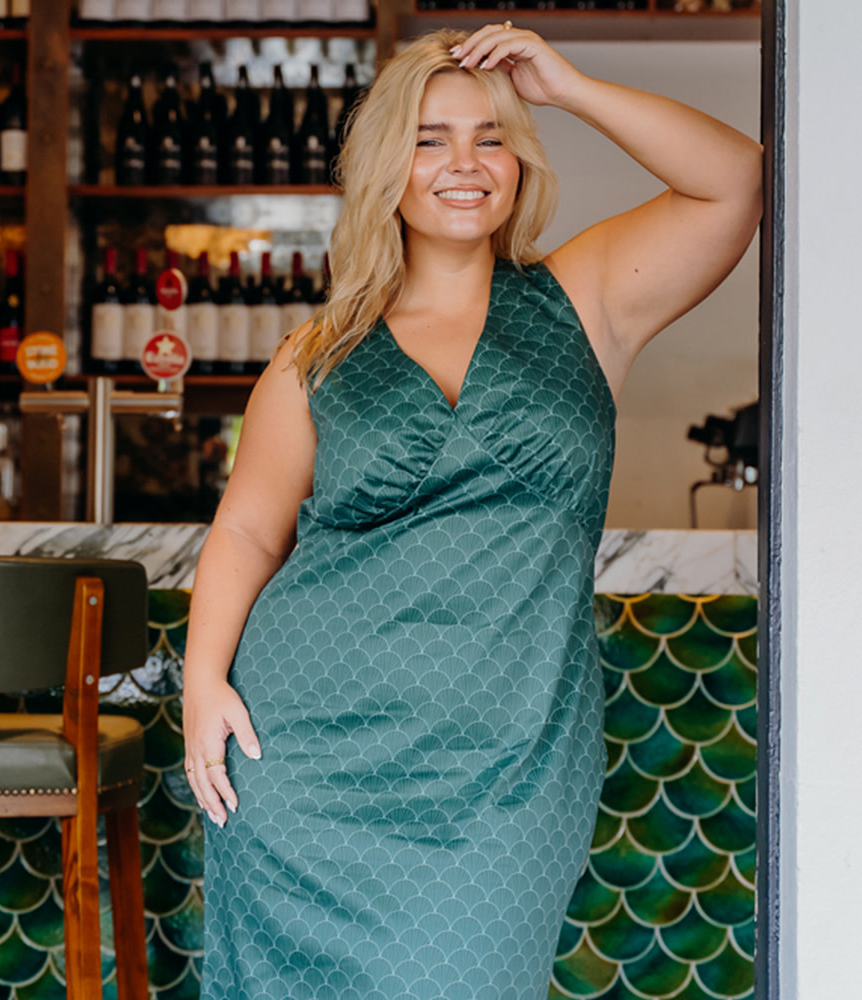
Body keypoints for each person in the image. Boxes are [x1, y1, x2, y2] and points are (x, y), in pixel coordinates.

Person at [183, 23, 761, 1000]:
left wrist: (568, 86)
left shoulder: (582, 301)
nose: (463, 163)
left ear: (520, 160)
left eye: (489, 136)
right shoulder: (314, 355)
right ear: (385, 169)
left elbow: (735, 178)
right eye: (428, 138)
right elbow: (247, 529)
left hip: (509, 759)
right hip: (309, 751)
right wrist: (202, 680)